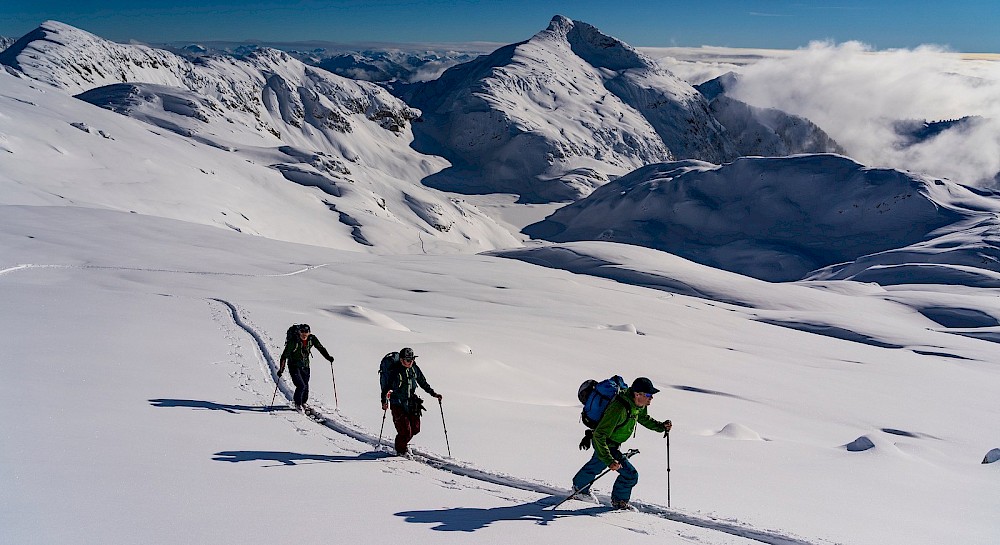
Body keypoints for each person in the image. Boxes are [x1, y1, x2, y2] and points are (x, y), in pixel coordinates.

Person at [572, 377, 671, 510]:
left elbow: (643, 418)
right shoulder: (619, 408)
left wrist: (661, 427)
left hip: (613, 443)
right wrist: (609, 460)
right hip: (607, 444)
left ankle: (579, 487)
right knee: (630, 475)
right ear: (637, 394)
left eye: (651, 395)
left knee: (595, 465)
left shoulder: (637, 405)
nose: (651, 398)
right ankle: (619, 502)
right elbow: (599, 435)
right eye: (648, 395)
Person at [379, 347, 442, 456]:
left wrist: (433, 394)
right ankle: (401, 451)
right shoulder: (395, 372)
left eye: (412, 360)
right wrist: (384, 401)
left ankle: (402, 444)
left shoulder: (414, 368)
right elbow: (386, 388)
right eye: (407, 360)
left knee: (416, 428)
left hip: (412, 403)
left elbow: (422, 382)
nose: (410, 362)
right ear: (402, 360)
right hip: (397, 403)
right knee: (405, 431)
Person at [278, 324, 334, 411]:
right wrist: (281, 369)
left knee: (306, 386)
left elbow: (320, 348)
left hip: (305, 366)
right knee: (301, 385)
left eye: (306, 332)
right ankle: (297, 403)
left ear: (309, 332)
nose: (304, 334)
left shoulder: (312, 339)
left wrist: (328, 357)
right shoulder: (293, 341)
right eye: (302, 332)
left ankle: (303, 402)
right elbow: (284, 356)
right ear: (299, 332)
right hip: (294, 366)